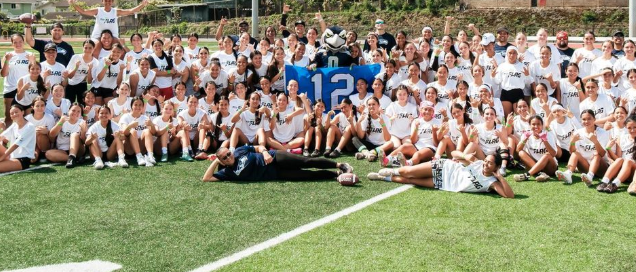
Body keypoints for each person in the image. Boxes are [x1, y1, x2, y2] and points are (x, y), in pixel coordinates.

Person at [367, 154, 514, 198]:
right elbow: (455, 154)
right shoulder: (477, 163)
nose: (486, 164)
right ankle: (392, 170)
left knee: (410, 180)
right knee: (408, 172)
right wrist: (465, 157)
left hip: (445, 184)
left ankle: (383, 177)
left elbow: (509, 196)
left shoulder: (491, 182)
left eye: (489, 164)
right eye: (486, 161)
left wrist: (500, 177)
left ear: (495, 167)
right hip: (445, 167)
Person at [202, 144, 354, 182]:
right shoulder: (227, 173)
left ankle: (339, 165)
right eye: (224, 158)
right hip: (275, 173)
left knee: (306, 161)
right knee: (306, 175)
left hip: (274, 158)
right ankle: (336, 174)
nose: (228, 157)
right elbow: (206, 179)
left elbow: (258, 146)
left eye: (228, 153)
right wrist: (215, 160)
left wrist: (265, 152)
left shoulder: (240, 151)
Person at [558, 109, 610, 187]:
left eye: (589, 119)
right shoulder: (578, 132)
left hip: (601, 168)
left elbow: (602, 154)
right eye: (584, 119)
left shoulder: (603, 133)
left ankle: (590, 176)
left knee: (596, 154)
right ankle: (568, 174)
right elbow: (571, 152)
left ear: (594, 119)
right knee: (575, 153)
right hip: (585, 167)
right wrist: (572, 142)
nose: (586, 121)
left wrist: (595, 141)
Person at [69, 0, 149, 40]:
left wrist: (142, 5)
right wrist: (73, 4)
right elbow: (83, 11)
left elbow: (130, 11)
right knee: (96, 49)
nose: (107, 2)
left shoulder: (115, 11)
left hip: (113, 37)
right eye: (106, 0)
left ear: (112, 1)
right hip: (97, 37)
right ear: (102, 1)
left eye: (109, 0)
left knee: (119, 49)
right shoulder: (98, 10)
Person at [1, 33, 34, 126]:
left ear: (23, 42)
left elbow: (34, 72)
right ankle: (7, 140)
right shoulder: (8, 55)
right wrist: (7, 60)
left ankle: (26, 139)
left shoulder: (30, 55)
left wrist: (32, 61)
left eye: (20, 41)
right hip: (10, 88)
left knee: (28, 117)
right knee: (9, 117)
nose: (18, 44)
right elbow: (4, 74)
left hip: (26, 89)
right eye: (15, 42)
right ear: (12, 43)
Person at [514, 115, 558, 182]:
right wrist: (525, 139)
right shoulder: (526, 134)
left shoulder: (548, 134)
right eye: (533, 124)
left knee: (547, 155)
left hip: (549, 167)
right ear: (529, 125)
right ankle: (540, 174)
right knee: (521, 153)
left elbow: (553, 154)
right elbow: (518, 150)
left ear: (542, 125)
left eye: (538, 124)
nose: (536, 126)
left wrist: (544, 140)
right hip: (534, 164)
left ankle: (527, 175)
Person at [45, 103, 87, 168]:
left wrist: (83, 131)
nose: (75, 113)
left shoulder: (82, 122)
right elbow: (52, 135)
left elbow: (84, 142)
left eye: (78, 111)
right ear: (68, 111)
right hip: (63, 150)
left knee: (74, 135)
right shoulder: (63, 120)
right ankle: (73, 159)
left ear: (81, 114)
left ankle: (72, 156)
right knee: (48, 154)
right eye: (73, 110)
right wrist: (61, 122)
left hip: (78, 150)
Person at [63, 40, 101, 106]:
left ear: (94, 49)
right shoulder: (75, 57)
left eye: (90, 48)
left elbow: (89, 81)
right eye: (85, 47)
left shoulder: (95, 62)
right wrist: (76, 67)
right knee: (69, 104)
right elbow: (70, 76)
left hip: (82, 84)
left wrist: (89, 70)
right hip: (71, 84)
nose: (87, 50)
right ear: (83, 48)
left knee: (82, 105)